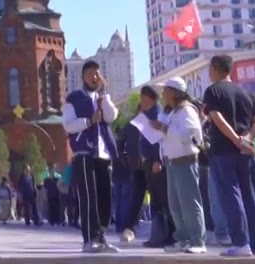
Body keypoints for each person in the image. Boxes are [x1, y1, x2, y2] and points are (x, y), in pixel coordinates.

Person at [202, 53, 255, 257]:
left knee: (231, 195)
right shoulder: (246, 93)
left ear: (214, 68)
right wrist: (246, 138)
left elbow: (217, 119)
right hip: (247, 152)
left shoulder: (213, 91)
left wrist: (236, 139)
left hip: (223, 151)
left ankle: (241, 243)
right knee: (250, 196)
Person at [61, 59, 119, 253]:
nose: (95, 77)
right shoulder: (74, 98)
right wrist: (88, 121)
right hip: (84, 153)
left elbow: (111, 117)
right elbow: (68, 125)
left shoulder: (102, 97)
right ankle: (89, 239)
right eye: (91, 74)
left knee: (105, 196)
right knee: (88, 197)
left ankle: (101, 236)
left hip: (103, 153)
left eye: (97, 73)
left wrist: (105, 96)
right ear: (83, 77)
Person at [154, 77, 205, 254]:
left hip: (185, 160)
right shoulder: (172, 112)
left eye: (166, 91)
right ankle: (184, 238)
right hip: (172, 161)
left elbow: (189, 134)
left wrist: (164, 128)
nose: (163, 94)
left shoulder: (187, 111)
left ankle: (198, 240)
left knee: (190, 202)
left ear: (175, 93)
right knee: (175, 205)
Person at [131, 85, 173, 248]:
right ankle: (158, 235)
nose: (140, 101)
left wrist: (157, 160)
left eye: (142, 98)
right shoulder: (147, 114)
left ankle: (164, 235)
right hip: (148, 161)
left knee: (161, 199)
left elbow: (158, 140)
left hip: (156, 161)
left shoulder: (157, 114)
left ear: (149, 98)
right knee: (157, 199)